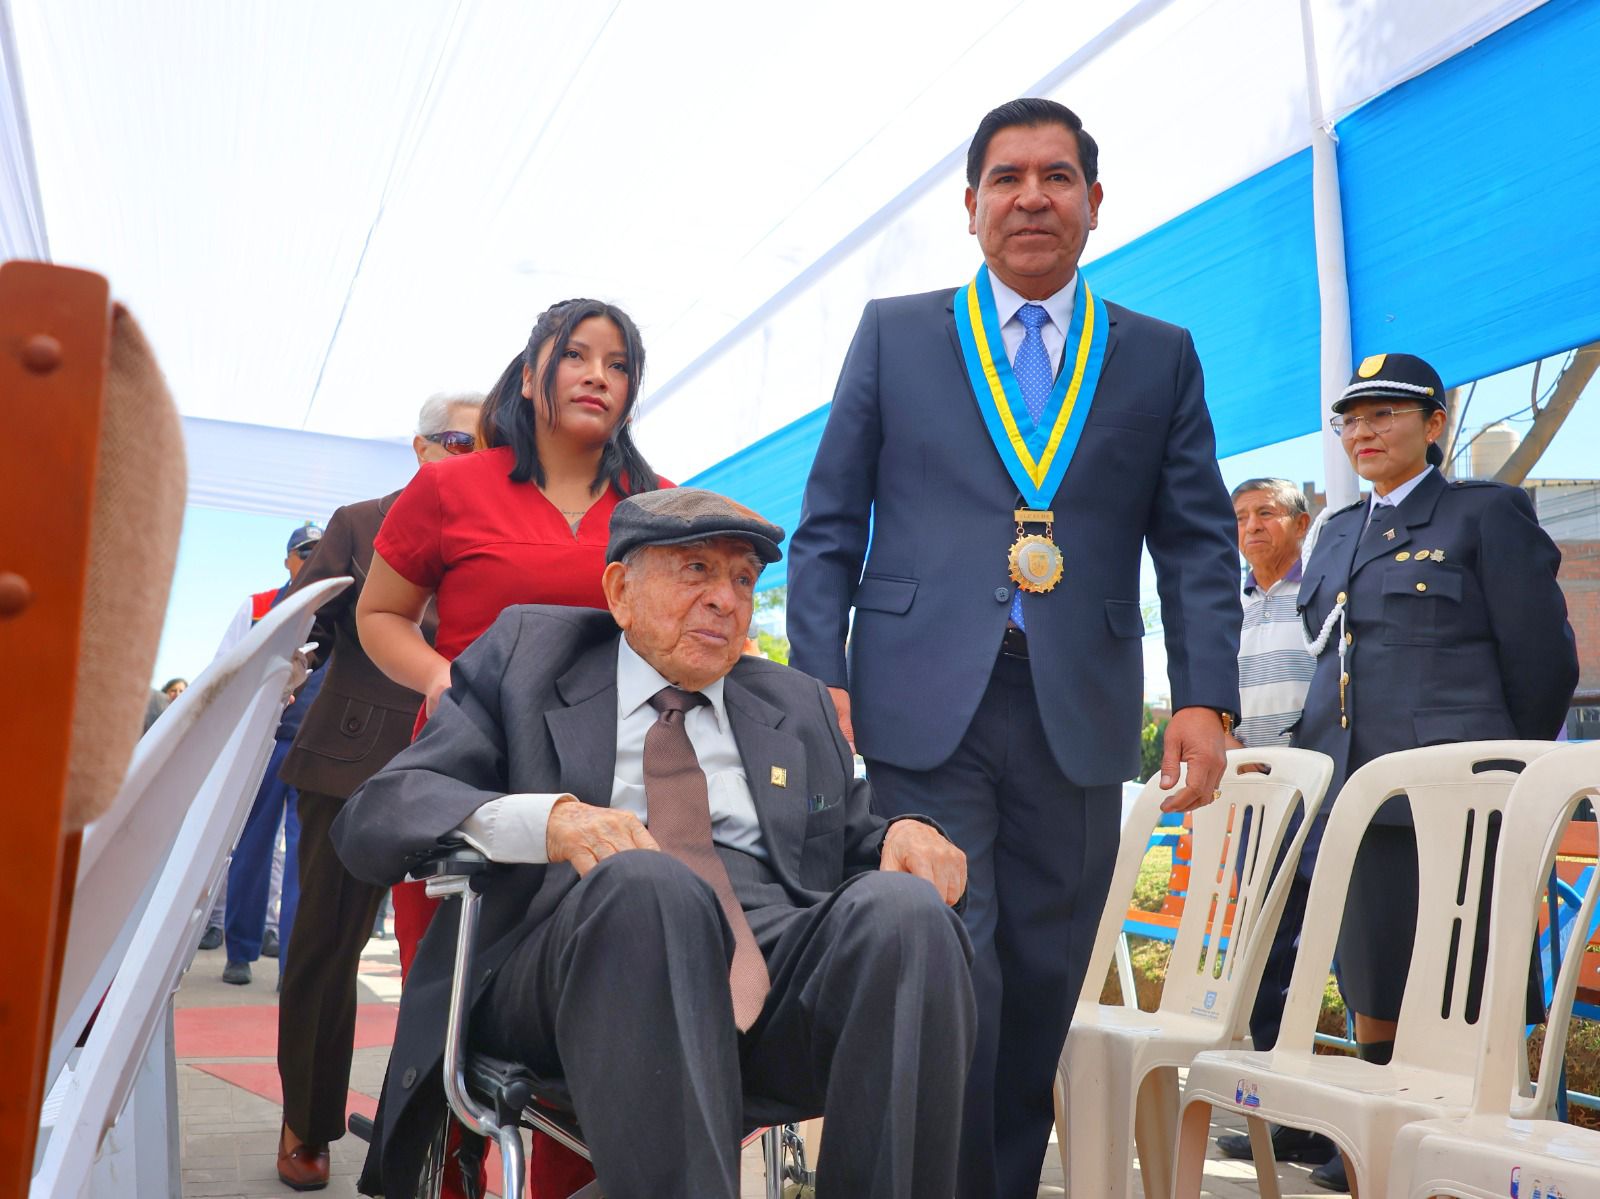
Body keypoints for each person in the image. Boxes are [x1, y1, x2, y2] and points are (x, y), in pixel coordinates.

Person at [786, 97, 1241, 1197]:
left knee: (1043, 975)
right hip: (918, 701)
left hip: (1077, 708)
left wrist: (1205, 694)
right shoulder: (896, 333)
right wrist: (815, 678)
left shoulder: (1158, 354)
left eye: (1055, 176)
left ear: (1095, 200)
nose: (1031, 197)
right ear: (970, 205)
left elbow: (1194, 537)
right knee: (951, 958)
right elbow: (829, 523)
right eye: (1006, 177)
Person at [332, 488, 976, 1199]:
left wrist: (906, 832)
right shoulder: (528, 657)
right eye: (697, 569)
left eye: (743, 579)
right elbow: (381, 810)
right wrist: (552, 820)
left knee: (908, 916)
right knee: (649, 883)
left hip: (767, 966)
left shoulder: (795, 703)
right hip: (573, 956)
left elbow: (859, 835)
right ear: (620, 591)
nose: (726, 599)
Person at [356, 299, 667, 1197]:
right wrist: (441, 678)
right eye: (577, 355)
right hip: (465, 780)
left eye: (619, 363)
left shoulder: (656, 503)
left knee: (591, 1020)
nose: (598, 374)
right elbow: (381, 615)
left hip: (603, 789)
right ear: (531, 375)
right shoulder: (449, 487)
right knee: (450, 1022)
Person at [1292, 352, 1578, 1191]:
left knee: (1467, 988)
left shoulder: (1483, 513)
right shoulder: (1336, 529)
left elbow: (1543, 664)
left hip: (1458, 802)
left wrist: (1499, 775)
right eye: (1351, 418)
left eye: (1384, 414)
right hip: (1355, 794)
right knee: (1372, 979)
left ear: (1435, 423)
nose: (1364, 431)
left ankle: (1466, 1156)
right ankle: (1382, 1150)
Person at [271, 391, 482, 1191]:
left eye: (489, 441)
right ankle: (307, 1117)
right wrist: (278, 674)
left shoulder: (500, 531)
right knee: (326, 946)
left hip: (463, 762)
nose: (473, 454)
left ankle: (431, 1136)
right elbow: (301, 624)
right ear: (421, 447)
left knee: (459, 961)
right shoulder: (360, 522)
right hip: (350, 756)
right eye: (458, 439)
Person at [1212, 479, 1333, 1168]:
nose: (1252, 526)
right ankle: (1285, 1119)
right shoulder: (1225, 604)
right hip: (1255, 800)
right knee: (1266, 957)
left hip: (1319, 793)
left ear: (1300, 523)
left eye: (1266, 513)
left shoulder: (1319, 594)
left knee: (1325, 955)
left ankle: (1329, 1122)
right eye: (1241, 517)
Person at [212, 521, 327, 983]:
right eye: (305, 551)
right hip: (264, 743)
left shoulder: (341, 607)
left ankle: (290, 966)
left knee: (303, 858)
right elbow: (225, 668)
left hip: (315, 747)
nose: (313, 559)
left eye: (320, 551)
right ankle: (239, 951)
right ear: (287, 560)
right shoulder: (258, 606)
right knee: (251, 848)